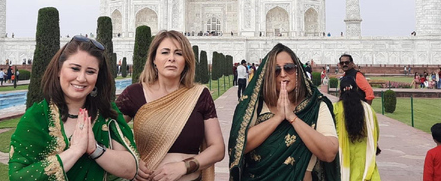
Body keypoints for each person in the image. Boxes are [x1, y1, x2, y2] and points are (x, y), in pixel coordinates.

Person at [9, 35, 139, 180]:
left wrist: (95, 149)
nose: (82, 78)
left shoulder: (106, 113)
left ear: (97, 77)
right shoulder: (37, 117)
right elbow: (18, 176)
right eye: (75, 69)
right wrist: (75, 151)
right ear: (59, 70)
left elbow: (131, 168)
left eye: (90, 72)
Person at [116, 30, 224, 181]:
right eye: (165, 52)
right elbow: (108, 128)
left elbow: (218, 149)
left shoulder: (199, 95)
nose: (171, 58)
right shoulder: (134, 94)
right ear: (154, 59)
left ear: (186, 60)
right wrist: (132, 158)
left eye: (179, 53)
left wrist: (183, 167)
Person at [229, 43, 340, 181]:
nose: (283, 74)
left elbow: (329, 152)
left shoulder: (314, 106)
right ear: (268, 75)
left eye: (288, 68)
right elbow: (239, 146)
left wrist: (292, 118)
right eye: (276, 70)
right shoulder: (256, 105)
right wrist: (278, 118)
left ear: (298, 71)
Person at [334, 76, 381, 181]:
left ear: (340, 92)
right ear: (356, 90)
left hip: (343, 161)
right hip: (364, 162)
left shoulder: (335, 109)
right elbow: (375, 134)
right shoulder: (368, 110)